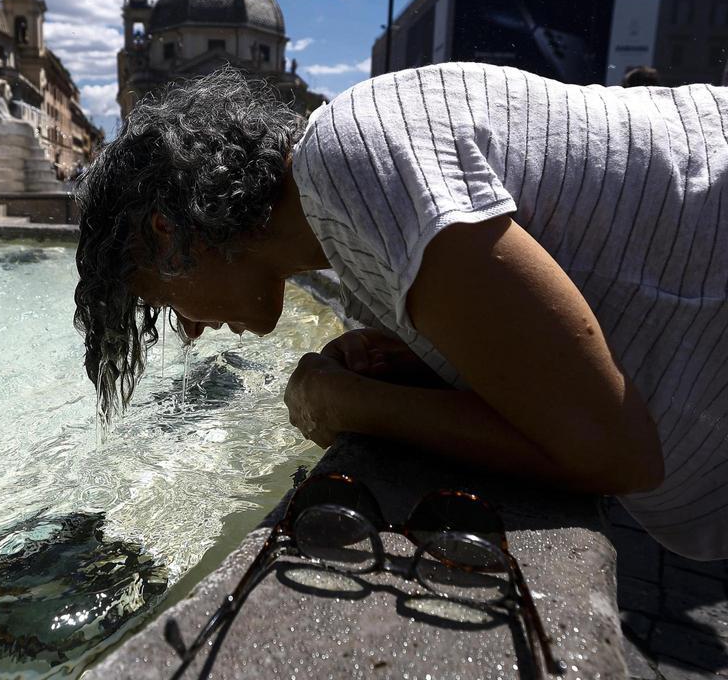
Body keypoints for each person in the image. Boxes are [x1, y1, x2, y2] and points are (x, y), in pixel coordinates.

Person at [72, 64, 728, 561]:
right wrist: (423, 362)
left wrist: (353, 409)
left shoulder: (349, 169)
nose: (188, 330)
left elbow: (619, 453)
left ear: (166, 233)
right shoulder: (352, 191)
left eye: (160, 301)